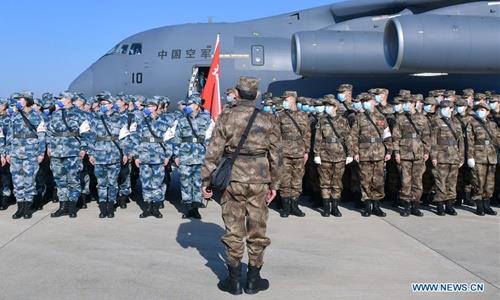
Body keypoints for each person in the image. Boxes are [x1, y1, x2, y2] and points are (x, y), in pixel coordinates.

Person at [201, 76, 282, 295]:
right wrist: (275, 183)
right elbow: (276, 154)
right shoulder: (267, 119)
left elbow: (214, 152)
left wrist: (206, 180)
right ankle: (254, 280)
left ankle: (234, 280)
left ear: (236, 93)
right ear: (256, 95)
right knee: (257, 229)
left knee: (233, 229)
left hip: (233, 179)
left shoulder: (226, 118)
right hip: (260, 180)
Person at [47, 92, 91, 218]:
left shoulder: (80, 114)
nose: (59, 101)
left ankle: (72, 207)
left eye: (61, 98)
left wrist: (83, 148)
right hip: (56, 152)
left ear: (68, 100)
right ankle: (62, 207)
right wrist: (49, 146)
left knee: (73, 180)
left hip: (72, 152)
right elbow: (49, 132)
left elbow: (86, 133)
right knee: (60, 180)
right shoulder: (55, 114)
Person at [88, 92, 131, 218]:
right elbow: (91, 137)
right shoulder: (95, 118)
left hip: (114, 155)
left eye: (105, 103)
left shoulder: (120, 118)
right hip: (99, 155)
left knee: (112, 183)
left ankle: (111, 206)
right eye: (101, 103)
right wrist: (91, 153)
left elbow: (125, 138)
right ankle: (102, 207)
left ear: (111, 104)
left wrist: (125, 153)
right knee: (101, 183)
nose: (102, 105)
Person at [5, 91, 46, 219]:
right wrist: (7, 152)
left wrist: (41, 153)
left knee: (29, 180)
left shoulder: (37, 116)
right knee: (17, 181)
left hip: (31, 152)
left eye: (21, 99)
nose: (18, 102)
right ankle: (20, 208)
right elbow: (9, 135)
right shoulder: (15, 116)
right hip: (16, 153)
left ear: (27, 100)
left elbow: (42, 135)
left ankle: (28, 208)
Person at [351, 93, 392, 217]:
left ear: (374, 102)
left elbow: (387, 135)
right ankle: (367, 206)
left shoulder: (381, 117)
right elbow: (353, 136)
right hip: (364, 153)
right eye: (364, 101)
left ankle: (377, 206)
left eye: (368, 101)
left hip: (379, 153)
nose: (365, 103)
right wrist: (355, 152)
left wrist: (389, 151)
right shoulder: (359, 118)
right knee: (365, 180)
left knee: (378, 180)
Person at [172, 93, 213, 219]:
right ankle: (187, 208)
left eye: (190, 104)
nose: (188, 106)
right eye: (187, 104)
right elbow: (176, 138)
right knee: (185, 182)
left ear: (197, 106)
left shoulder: (206, 120)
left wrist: (209, 155)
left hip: (200, 156)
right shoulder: (182, 120)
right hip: (185, 155)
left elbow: (211, 137)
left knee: (197, 182)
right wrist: (176, 155)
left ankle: (195, 208)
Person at [133, 96, 173, 218]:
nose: (148, 108)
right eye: (147, 106)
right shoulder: (141, 121)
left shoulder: (164, 121)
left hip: (159, 157)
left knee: (157, 183)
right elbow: (135, 138)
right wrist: (136, 155)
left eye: (150, 106)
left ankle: (156, 208)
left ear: (155, 107)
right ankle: (147, 208)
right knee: (146, 183)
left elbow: (169, 139)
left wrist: (167, 155)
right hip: (144, 156)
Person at [313, 97, 353, 217]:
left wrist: (350, 154)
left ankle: (335, 207)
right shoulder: (322, 121)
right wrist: (316, 154)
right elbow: (318, 139)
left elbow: (348, 138)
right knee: (325, 183)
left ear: (335, 107)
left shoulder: (343, 121)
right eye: (326, 106)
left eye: (330, 105)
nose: (327, 108)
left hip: (340, 156)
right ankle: (326, 208)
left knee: (337, 183)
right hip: (325, 156)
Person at [392, 95, 431, 216]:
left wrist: (426, 152)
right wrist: (397, 152)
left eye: (407, 103)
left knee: (417, 181)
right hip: (405, 154)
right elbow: (396, 137)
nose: (405, 105)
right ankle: (406, 206)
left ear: (414, 104)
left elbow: (426, 137)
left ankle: (415, 205)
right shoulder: (400, 119)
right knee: (405, 181)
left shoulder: (423, 118)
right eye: (404, 103)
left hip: (418, 153)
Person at [275, 91, 310, 217]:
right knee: (285, 179)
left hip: (299, 152)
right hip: (284, 153)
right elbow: (276, 135)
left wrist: (307, 151)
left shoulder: (303, 115)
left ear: (292, 100)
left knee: (297, 179)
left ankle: (294, 206)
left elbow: (306, 134)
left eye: (285, 99)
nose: (283, 102)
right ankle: (285, 207)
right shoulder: (279, 116)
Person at [430, 100, 464, 216]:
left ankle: (449, 205)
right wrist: (433, 156)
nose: (445, 109)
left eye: (447, 107)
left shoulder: (456, 122)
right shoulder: (436, 122)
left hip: (454, 156)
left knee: (452, 182)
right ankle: (440, 205)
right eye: (443, 107)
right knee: (440, 181)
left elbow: (461, 142)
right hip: (441, 156)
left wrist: (462, 157)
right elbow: (433, 140)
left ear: (451, 109)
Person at [467, 103, 499, 215]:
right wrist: (470, 156)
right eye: (479, 109)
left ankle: (487, 205)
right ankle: (479, 206)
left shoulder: (493, 125)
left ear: (487, 112)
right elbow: (470, 141)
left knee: (489, 183)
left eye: (483, 110)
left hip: (491, 156)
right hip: (478, 156)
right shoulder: (472, 123)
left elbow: (498, 140)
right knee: (478, 182)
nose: (480, 111)